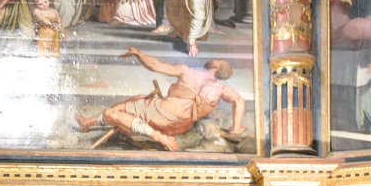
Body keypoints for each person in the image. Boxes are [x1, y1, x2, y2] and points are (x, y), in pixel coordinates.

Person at [76, 48, 246, 152]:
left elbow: (155, 66)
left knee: (112, 112)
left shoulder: (188, 72)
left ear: (216, 66)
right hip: (180, 126)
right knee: (136, 101)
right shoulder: (222, 90)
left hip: (159, 115)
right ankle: (87, 123)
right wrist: (236, 128)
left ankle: (157, 136)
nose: (214, 59)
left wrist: (138, 54)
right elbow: (239, 102)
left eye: (218, 60)